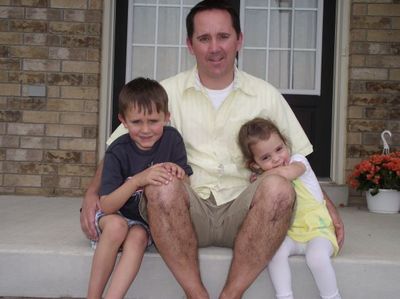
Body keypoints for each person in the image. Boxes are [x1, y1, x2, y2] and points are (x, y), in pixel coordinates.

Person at [81, 1, 344, 298]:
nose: (214, 47)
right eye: (204, 38)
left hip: (247, 213)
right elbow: (120, 145)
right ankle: (197, 294)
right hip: (185, 212)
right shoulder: (165, 94)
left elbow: (298, 159)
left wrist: (327, 209)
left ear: (239, 40)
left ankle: (231, 294)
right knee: (163, 185)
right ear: (190, 45)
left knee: (279, 188)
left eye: (223, 36)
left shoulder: (266, 95)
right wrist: (93, 193)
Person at [86, 77, 192, 299]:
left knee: (138, 237)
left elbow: (186, 187)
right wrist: (137, 181)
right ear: (123, 120)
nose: (146, 130)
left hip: (146, 221)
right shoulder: (118, 151)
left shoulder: (172, 141)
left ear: (167, 117)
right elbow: (107, 205)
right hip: (115, 214)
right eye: (136, 122)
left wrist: (178, 173)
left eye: (153, 121)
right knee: (116, 226)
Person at [238, 117, 342, 299]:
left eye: (279, 149)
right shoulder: (263, 180)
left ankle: (332, 296)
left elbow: (288, 173)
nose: (277, 159)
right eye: (266, 157)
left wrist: (264, 176)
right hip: (291, 235)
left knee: (316, 258)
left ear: (286, 144)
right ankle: (284, 296)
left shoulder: (298, 162)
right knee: (273, 252)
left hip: (318, 231)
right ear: (255, 164)